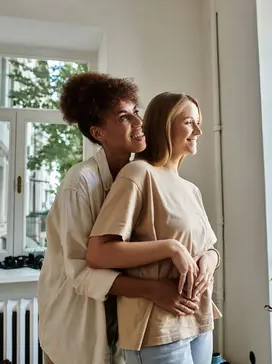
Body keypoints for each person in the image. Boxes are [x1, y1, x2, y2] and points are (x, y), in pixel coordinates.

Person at [38, 74, 201, 364]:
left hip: (126, 321)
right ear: (98, 133)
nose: (139, 123)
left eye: (136, 112)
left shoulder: (138, 174)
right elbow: (81, 272)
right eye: (124, 117)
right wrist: (153, 289)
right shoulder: (80, 183)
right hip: (75, 322)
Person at [86, 92, 221, 364]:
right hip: (157, 328)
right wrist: (170, 248)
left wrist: (210, 259)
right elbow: (98, 254)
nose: (198, 130)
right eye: (188, 122)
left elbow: (208, 246)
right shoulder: (138, 174)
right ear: (164, 125)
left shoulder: (190, 189)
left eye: (197, 122)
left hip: (200, 321)